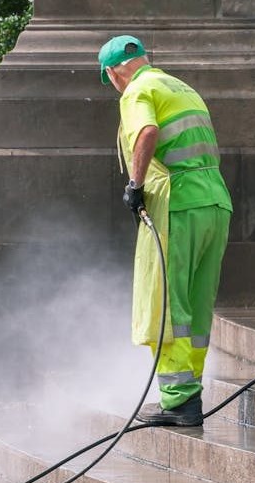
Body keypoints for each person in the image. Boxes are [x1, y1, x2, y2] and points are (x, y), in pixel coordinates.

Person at [98, 35, 233, 426]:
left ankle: (177, 401)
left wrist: (134, 186)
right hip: (215, 202)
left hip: (178, 205)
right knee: (196, 306)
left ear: (113, 73)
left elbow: (146, 133)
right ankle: (188, 398)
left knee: (168, 306)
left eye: (111, 82)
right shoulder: (179, 86)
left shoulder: (137, 90)